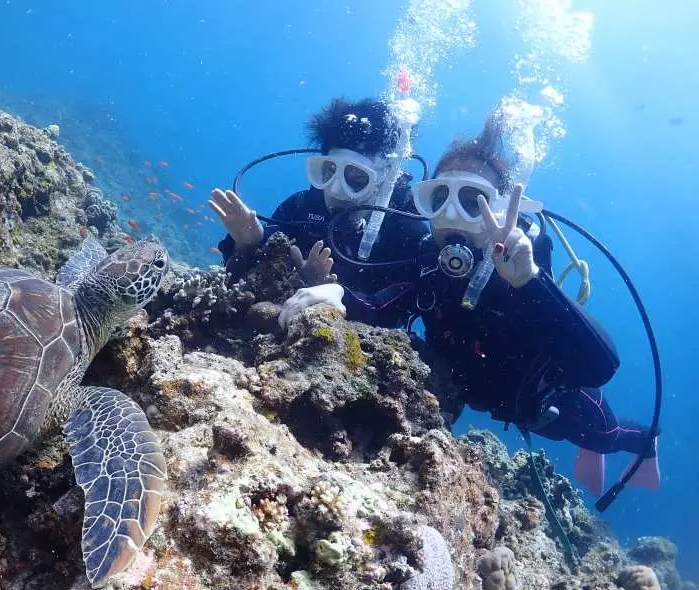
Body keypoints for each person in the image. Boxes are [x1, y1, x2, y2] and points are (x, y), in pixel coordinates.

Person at [390, 114, 660, 496]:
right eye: (439, 198)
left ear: (501, 210)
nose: (451, 214)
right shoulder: (426, 262)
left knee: (605, 437)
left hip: (549, 405)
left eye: (473, 201)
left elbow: (600, 365)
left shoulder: (525, 274)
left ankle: (647, 444)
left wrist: (529, 281)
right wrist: (328, 292)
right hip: (497, 401)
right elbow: (378, 309)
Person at [209, 97, 428, 326]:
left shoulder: (406, 232)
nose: (335, 189)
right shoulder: (301, 206)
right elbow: (242, 281)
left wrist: (341, 296)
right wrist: (249, 243)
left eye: (357, 178)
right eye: (328, 171)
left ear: (385, 181)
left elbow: (397, 306)